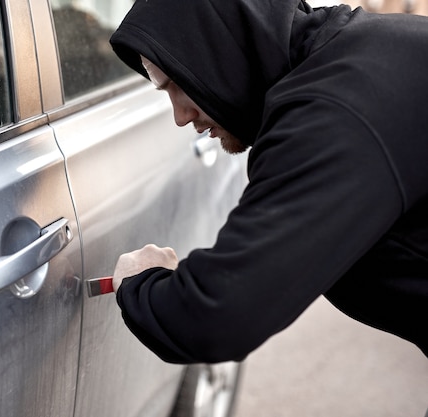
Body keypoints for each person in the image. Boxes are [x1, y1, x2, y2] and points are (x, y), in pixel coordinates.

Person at [108, 0, 428, 365]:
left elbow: (215, 314)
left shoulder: (333, 110)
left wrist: (141, 281)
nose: (181, 116)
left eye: (178, 83)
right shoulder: (354, 55)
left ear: (220, 48)